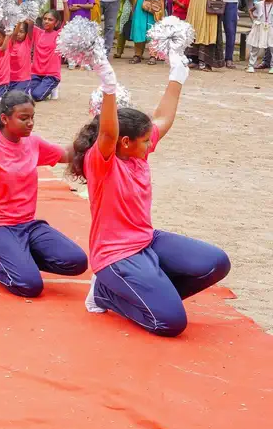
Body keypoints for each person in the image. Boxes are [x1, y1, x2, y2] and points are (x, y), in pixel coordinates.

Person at [72, 53, 229, 337]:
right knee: (170, 323)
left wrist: (177, 77)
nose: (150, 144)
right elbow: (107, 134)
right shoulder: (102, 163)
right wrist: (109, 88)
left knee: (216, 263)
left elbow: (163, 118)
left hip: (147, 241)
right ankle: (106, 293)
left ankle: (152, 295)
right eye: (145, 141)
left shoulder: (137, 154)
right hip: (116, 256)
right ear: (125, 142)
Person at [0, 92, 88, 296]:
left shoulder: (33, 142)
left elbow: (66, 155)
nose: (30, 123)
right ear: (4, 118)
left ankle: (11, 257)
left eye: (32, 117)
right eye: (23, 118)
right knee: (29, 286)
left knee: (77, 262)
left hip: (27, 224)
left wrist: (95, 129)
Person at [27, 11, 62, 100]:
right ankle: (45, 87)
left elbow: (66, 21)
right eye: (45, 19)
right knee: (26, 94)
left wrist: (65, 0)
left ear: (56, 23)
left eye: (50, 20)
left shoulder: (58, 35)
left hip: (51, 75)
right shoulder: (37, 32)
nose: (46, 21)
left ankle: (54, 86)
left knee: (36, 96)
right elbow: (28, 22)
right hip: (36, 73)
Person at [247, 0, 273, 73]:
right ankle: (251, 65)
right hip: (260, 27)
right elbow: (250, 10)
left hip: (271, 27)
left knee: (272, 47)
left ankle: (272, 66)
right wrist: (253, 21)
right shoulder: (259, 4)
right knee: (255, 47)